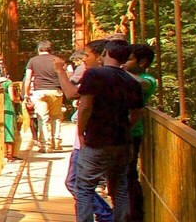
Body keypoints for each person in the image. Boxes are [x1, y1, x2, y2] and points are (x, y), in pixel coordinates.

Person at [57, 39, 144, 222]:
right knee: (119, 187)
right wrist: (126, 127)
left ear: (105, 53)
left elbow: (85, 106)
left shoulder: (94, 74)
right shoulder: (133, 81)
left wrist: (81, 132)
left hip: (97, 140)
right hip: (123, 141)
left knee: (84, 187)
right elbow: (137, 112)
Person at [114, 43, 157, 222]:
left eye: (129, 59)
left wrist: (116, 70)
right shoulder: (126, 77)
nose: (124, 62)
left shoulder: (148, 79)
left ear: (143, 62)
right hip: (122, 132)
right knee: (121, 176)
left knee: (128, 175)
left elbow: (141, 84)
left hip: (132, 132)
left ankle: (134, 216)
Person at [26, 41, 67, 152]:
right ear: (51, 50)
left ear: (38, 49)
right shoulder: (58, 60)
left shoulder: (33, 60)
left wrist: (26, 94)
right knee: (56, 116)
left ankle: (45, 145)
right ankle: (56, 141)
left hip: (39, 92)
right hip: (55, 91)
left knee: (42, 118)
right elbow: (64, 76)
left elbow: (28, 78)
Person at [0, 56, 23, 161]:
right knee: (9, 129)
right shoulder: (8, 82)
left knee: (0, 129)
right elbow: (12, 98)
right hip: (8, 107)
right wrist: (19, 100)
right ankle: (9, 154)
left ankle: (2, 153)